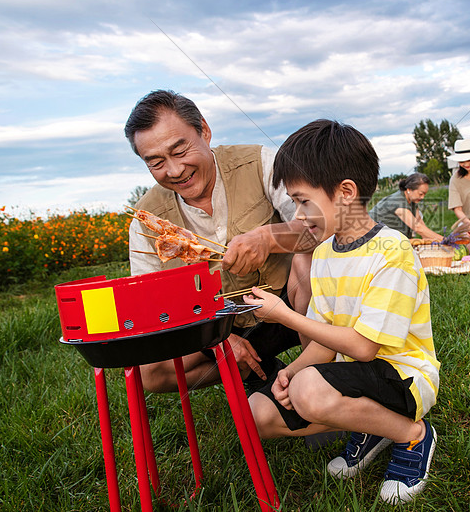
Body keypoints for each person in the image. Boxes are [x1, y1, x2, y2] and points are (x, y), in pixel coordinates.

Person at [243, 119, 440, 505]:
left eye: (302, 200)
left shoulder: (391, 250)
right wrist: (290, 370)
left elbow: (364, 348)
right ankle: (372, 427)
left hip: (404, 378)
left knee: (309, 390)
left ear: (345, 193)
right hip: (350, 377)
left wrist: (284, 315)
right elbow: (323, 343)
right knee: (257, 413)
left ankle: (412, 435)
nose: (298, 215)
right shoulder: (325, 253)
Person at [124, 89, 314, 393]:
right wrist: (212, 337)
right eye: (156, 162)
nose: (174, 170)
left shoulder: (261, 162)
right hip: (220, 326)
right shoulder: (147, 218)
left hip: (291, 302)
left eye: (180, 150)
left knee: (308, 261)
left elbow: (321, 226)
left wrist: (269, 237)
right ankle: (256, 369)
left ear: (204, 130)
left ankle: (319, 375)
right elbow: (151, 307)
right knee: (152, 373)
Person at [368, 173, 443, 241]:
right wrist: (444, 240)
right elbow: (417, 228)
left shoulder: (413, 201)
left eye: (424, 194)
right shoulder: (398, 202)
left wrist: (433, 239)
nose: (423, 197)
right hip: (370, 237)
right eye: (421, 194)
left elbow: (421, 226)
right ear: (409, 189)